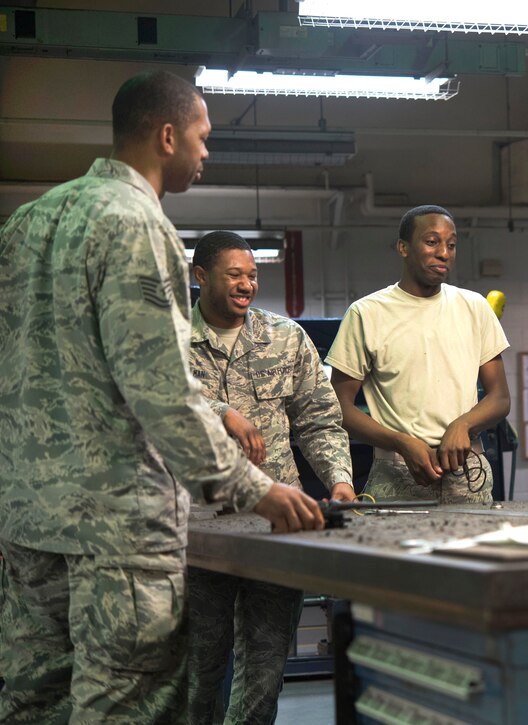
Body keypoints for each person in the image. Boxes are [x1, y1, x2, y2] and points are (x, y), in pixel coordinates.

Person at [0, 71, 322, 724]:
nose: (207, 153)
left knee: (33, 704)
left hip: (29, 520)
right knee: (124, 705)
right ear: (167, 136)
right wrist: (253, 487)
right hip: (115, 530)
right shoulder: (135, 224)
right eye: (203, 137)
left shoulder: (26, 223)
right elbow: (164, 391)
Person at [185, 232, 354, 724]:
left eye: (252, 275)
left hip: (276, 526)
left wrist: (338, 478)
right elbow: (150, 408)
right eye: (234, 274)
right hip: (199, 531)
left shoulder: (285, 337)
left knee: (265, 672)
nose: (246, 284)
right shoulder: (167, 341)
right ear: (201, 277)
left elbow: (319, 419)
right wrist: (219, 411)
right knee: (199, 673)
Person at [326, 205, 511, 503]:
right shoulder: (367, 313)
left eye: (451, 245)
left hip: (468, 473)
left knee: (473, 550)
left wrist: (462, 424)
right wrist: (401, 443)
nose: (444, 253)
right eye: (431, 241)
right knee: (394, 551)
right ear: (403, 247)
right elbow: (339, 407)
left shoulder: (474, 307)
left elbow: (500, 398)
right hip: (396, 473)